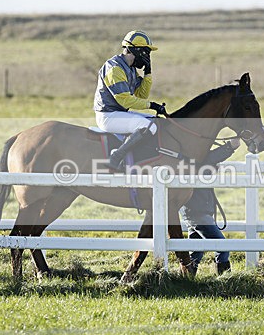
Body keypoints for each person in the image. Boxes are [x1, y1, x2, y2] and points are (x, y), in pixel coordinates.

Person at [93, 30, 168, 170]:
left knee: (156, 121)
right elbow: (125, 101)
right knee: (148, 127)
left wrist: (148, 74)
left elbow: (141, 95)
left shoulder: (130, 69)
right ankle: (116, 157)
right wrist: (152, 105)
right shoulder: (115, 68)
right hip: (108, 116)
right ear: (137, 51)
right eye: (147, 53)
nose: (148, 57)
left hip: (118, 114)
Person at [180, 138, 241, 275]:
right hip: (198, 212)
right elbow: (212, 157)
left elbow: (210, 159)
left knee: (196, 250)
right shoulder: (198, 158)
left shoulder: (188, 157)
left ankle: (186, 279)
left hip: (193, 211)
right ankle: (224, 277)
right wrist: (230, 146)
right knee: (222, 246)